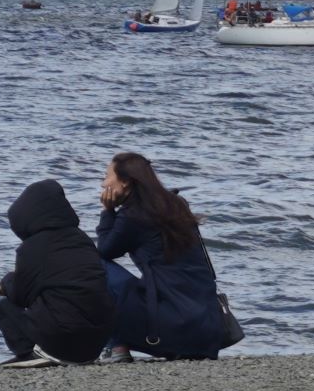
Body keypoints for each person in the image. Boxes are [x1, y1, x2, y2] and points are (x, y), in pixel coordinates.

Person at [95, 152, 223, 362]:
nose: (103, 184)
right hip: (206, 331)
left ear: (126, 182)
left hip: (174, 328)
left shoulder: (133, 215)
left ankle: (116, 347)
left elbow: (105, 252)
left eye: (106, 176)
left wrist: (108, 210)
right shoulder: (175, 203)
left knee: (92, 266)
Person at [0, 180, 115, 367]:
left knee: (3, 309)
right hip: (96, 343)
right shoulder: (82, 239)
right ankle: (62, 353)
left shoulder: (32, 248)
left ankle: (30, 353)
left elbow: (20, 295)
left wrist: (6, 283)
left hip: (63, 341)